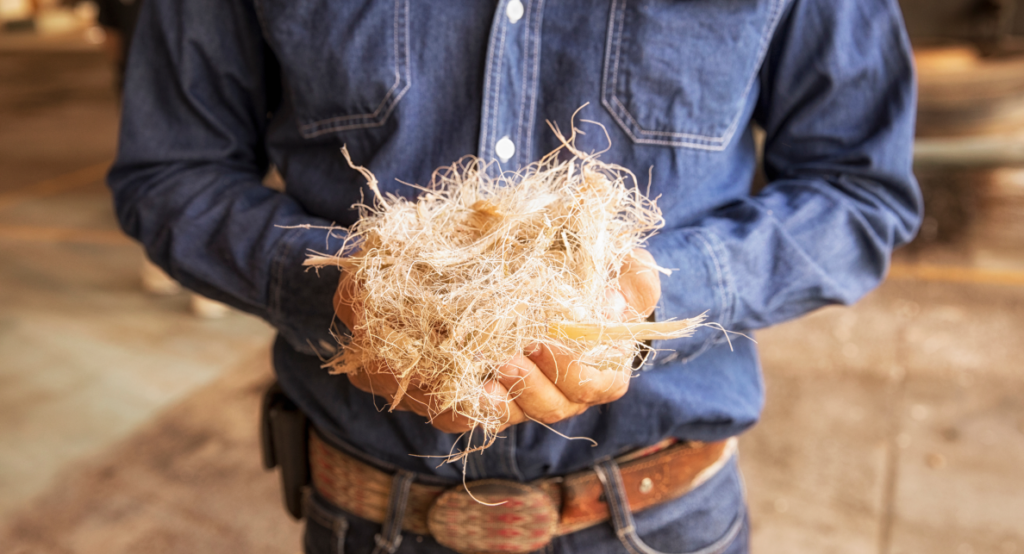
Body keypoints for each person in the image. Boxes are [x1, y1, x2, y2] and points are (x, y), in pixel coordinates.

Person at [107, 1, 922, 553]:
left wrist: (643, 303)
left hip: (661, 516)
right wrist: (345, 290)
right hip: (366, 513)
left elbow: (857, 190)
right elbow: (172, 173)